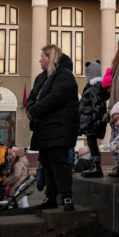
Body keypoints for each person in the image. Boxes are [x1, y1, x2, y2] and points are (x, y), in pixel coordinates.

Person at [26, 45, 79, 212]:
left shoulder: (64, 75)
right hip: (44, 129)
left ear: (50, 57)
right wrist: (30, 108)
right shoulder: (42, 78)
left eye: (42, 56)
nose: (39, 59)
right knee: (46, 163)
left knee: (59, 162)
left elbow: (56, 97)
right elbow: (32, 97)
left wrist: (34, 111)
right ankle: (51, 197)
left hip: (59, 127)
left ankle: (66, 197)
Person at [79, 61, 108, 179]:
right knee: (91, 144)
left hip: (91, 122)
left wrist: (96, 123)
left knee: (92, 144)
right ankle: (94, 166)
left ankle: (96, 167)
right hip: (91, 122)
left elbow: (96, 107)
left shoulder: (94, 89)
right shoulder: (95, 87)